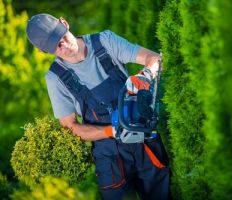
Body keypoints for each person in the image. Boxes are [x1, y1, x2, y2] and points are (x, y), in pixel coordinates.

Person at [26, 13, 170, 200]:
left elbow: (155, 59)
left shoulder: (105, 41)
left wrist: (146, 74)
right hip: (110, 157)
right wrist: (112, 131)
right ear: (43, 51)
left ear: (65, 23)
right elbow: (72, 129)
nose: (65, 46)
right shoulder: (55, 79)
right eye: (56, 47)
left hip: (144, 138)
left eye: (62, 37)